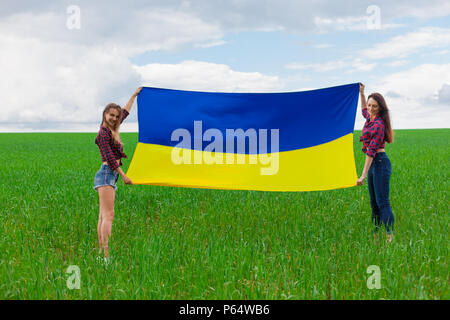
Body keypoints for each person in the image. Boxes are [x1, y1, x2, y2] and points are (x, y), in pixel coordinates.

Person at [93, 87, 142, 263]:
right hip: (107, 174)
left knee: (103, 216)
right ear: (104, 114)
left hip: (108, 176)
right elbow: (111, 159)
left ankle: (101, 254)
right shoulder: (103, 134)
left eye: (116, 116)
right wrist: (124, 176)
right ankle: (105, 256)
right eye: (111, 115)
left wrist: (134, 95)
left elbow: (125, 112)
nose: (114, 118)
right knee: (108, 216)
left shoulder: (113, 128)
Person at [356, 83, 395, 243]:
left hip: (379, 163)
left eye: (374, 106)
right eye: (370, 105)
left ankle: (389, 236)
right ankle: (375, 235)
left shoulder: (379, 125)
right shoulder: (370, 117)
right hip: (374, 164)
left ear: (380, 108)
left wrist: (363, 175)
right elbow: (364, 110)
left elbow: (371, 152)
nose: (370, 109)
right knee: (374, 203)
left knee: (383, 202)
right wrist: (362, 93)